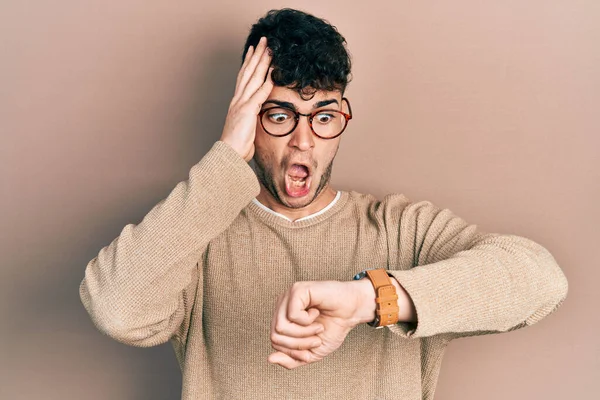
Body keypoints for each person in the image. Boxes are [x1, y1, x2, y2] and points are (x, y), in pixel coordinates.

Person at [79, 8, 569, 400]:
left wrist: (370, 300)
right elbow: (117, 308)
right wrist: (227, 156)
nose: (303, 142)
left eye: (324, 116)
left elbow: (541, 280)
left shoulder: (401, 230)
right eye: (279, 114)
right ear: (247, 119)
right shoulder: (198, 237)